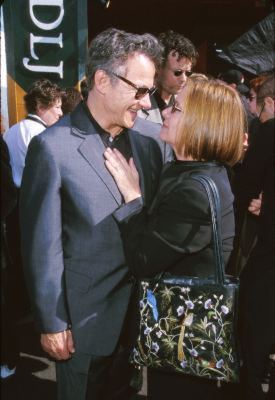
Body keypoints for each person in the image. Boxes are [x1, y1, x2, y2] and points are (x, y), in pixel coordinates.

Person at [20, 28, 163, 400]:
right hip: (84, 329)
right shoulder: (52, 149)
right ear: (103, 80)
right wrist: (52, 322)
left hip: (138, 329)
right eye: (140, 90)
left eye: (150, 91)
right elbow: (41, 247)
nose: (147, 103)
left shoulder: (148, 144)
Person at [104, 79, 246, 399]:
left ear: (201, 123)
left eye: (176, 107)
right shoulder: (193, 171)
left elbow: (142, 260)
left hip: (182, 341)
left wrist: (132, 197)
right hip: (178, 330)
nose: (165, 111)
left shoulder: (194, 189)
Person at [235, 75, 275, 400]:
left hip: (268, 254)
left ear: (270, 103)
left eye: (261, 109)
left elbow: (246, 184)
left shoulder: (269, 131)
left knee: (258, 325)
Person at [4, 78, 63, 188]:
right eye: (57, 107)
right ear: (40, 106)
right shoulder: (43, 135)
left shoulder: (10, 132)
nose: (61, 113)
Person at [138, 30, 198, 125]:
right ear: (158, 68)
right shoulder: (137, 105)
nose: (184, 79)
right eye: (177, 72)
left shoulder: (188, 105)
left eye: (188, 73)